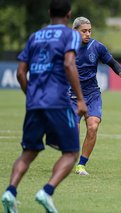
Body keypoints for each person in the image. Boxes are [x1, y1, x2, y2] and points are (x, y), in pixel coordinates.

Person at [1, 0, 88, 212]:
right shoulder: (70, 35)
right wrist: (80, 99)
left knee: (28, 152)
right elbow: (69, 64)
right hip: (58, 102)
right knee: (70, 154)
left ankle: (10, 192)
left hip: (34, 103)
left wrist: (31, 96)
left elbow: (20, 73)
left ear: (50, 13)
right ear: (68, 15)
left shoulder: (35, 36)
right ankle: (46, 192)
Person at [71, 17, 121, 176]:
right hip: (72, 95)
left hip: (92, 93)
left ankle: (81, 165)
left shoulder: (97, 46)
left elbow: (111, 62)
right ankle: (68, 158)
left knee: (93, 126)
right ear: (74, 31)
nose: (87, 34)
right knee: (73, 130)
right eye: (83, 31)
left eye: (89, 31)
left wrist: (120, 72)